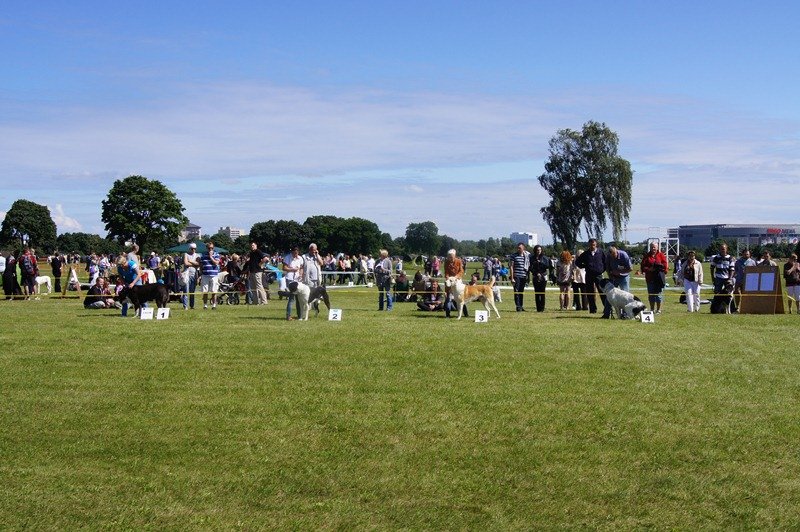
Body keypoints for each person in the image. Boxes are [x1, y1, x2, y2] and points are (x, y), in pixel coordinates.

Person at [575, 239, 607, 316]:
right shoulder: (585, 253)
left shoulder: (601, 252)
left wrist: (602, 269)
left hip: (598, 275)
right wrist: (585, 266)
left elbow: (605, 262)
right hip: (589, 275)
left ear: (596, 245)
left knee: (602, 291)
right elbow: (577, 262)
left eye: (593, 245)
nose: (592, 246)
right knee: (590, 292)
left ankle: (606, 308)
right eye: (590, 245)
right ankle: (592, 309)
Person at [639, 242, 669, 314]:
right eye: (652, 247)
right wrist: (649, 269)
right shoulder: (646, 256)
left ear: (657, 247)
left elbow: (665, 266)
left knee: (658, 295)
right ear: (650, 247)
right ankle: (652, 309)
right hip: (650, 278)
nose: (653, 248)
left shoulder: (661, 255)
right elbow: (643, 267)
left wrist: (661, 268)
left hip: (659, 279)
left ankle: (658, 310)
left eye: (654, 247)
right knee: (651, 294)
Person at [443, 248, 467, 318]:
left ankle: (465, 313)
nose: (450, 258)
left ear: (455, 256)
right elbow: (446, 272)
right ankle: (447, 314)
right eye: (449, 257)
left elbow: (461, 271)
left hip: (457, 280)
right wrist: (447, 277)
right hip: (449, 280)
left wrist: (456, 276)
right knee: (448, 296)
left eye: (451, 257)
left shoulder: (458, 261)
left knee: (460, 298)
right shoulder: (446, 262)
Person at [528, 245, 552, 312]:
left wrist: (540, 263)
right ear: (535, 250)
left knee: (542, 292)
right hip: (535, 276)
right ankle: (538, 308)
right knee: (537, 292)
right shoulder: (532, 258)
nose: (538, 251)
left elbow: (547, 266)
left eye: (540, 250)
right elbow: (530, 268)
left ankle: (542, 308)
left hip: (543, 276)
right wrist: (536, 273)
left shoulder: (545, 258)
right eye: (537, 250)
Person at [283, 246, 304, 320]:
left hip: (298, 280)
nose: (296, 254)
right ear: (292, 252)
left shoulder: (300, 258)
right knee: (291, 298)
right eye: (294, 253)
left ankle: (299, 315)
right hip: (290, 279)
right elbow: (284, 268)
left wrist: (301, 274)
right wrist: (293, 269)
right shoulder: (287, 257)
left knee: (299, 298)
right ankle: (288, 316)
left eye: (297, 253)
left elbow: (301, 268)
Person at [302, 243, 324, 312]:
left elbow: (321, 263)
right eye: (312, 250)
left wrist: (317, 255)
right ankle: (308, 306)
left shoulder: (317, 256)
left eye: (315, 250)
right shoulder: (304, 256)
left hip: (317, 278)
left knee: (316, 293)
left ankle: (315, 305)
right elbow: (301, 267)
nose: (313, 251)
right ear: (309, 249)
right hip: (308, 278)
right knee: (309, 293)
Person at [199, 241, 221, 310]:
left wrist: (211, 256)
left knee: (214, 291)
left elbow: (216, 263)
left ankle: (214, 305)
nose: (210, 249)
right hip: (205, 275)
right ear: (207, 248)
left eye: (212, 248)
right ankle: (205, 305)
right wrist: (200, 274)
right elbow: (201, 265)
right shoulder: (203, 255)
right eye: (209, 248)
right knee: (205, 291)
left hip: (214, 275)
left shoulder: (216, 254)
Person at [509, 243, 531, 312]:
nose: (518, 249)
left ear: (523, 248)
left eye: (520, 248)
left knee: (521, 292)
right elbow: (511, 267)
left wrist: (527, 277)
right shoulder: (513, 256)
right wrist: (512, 278)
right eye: (518, 248)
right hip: (516, 276)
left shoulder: (526, 256)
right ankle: (518, 306)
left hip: (523, 276)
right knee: (516, 291)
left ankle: (521, 306)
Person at [182, 242, 200, 310]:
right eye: (192, 248)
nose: (193, 250)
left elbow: (198, 264)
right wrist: (194, 263)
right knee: (186, 291)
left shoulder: (198, 255)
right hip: (186, 275)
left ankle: (192, 306)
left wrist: (190, 261)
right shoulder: (185, 254)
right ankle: (185, 306)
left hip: (194, 275)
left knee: (192, 291)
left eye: (195, 248)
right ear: (189, 248)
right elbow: (186, 263)